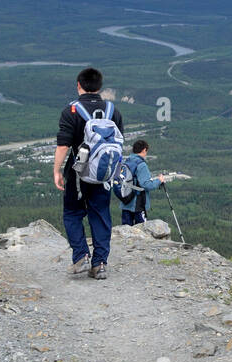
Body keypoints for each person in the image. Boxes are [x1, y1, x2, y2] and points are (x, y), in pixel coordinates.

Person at [54, 67, 124, 280]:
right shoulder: (113, 111)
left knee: (73, 213)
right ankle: (100, 264)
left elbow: (63, 145)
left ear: (79, 85)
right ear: (100, 87)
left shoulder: (71, 111)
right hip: (103, 174)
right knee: (101, 215)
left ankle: (81, 255)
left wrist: (57, 170)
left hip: (77, 172)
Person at [119, 139, 165, 225]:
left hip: (125, 201)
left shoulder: (127, 161)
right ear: (144, 150)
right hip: (138, 204)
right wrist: (159, 181)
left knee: (126, 229)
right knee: (143, 229)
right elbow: (146, 185)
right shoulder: (141, 165)